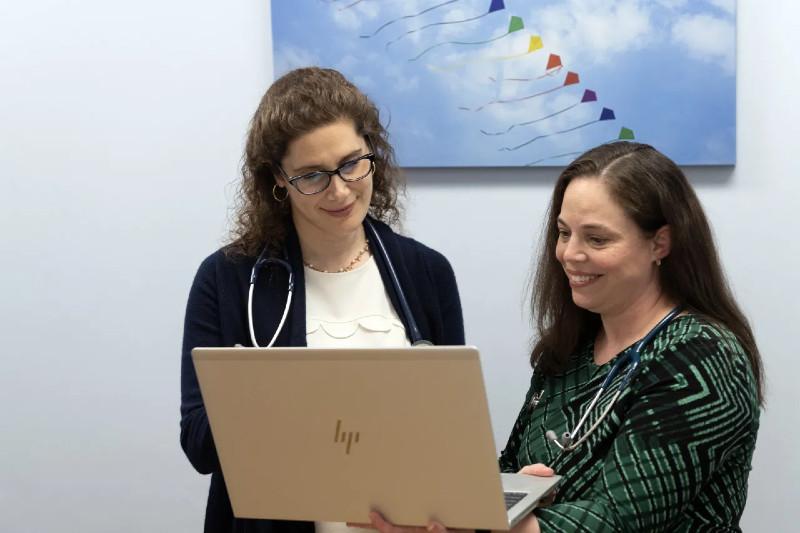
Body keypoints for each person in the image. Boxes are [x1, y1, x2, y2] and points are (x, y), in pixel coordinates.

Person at [365, 142, 762, 533]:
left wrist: (487, 525)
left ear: (660, 242)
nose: (569, 254)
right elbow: (511, 464)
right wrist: (512, 491)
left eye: (597, 239)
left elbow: (622, 519)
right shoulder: (570, 351)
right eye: (564, 232)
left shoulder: (703, 357)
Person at [180, 67, 465, 533]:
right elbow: (199, 445)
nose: (340, 190)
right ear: (278, 179)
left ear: (372, 150)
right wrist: (262, 394)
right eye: (311, 175)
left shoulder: (426, 272)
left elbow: (452, 434)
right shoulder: (226, 278)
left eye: (352, 163)